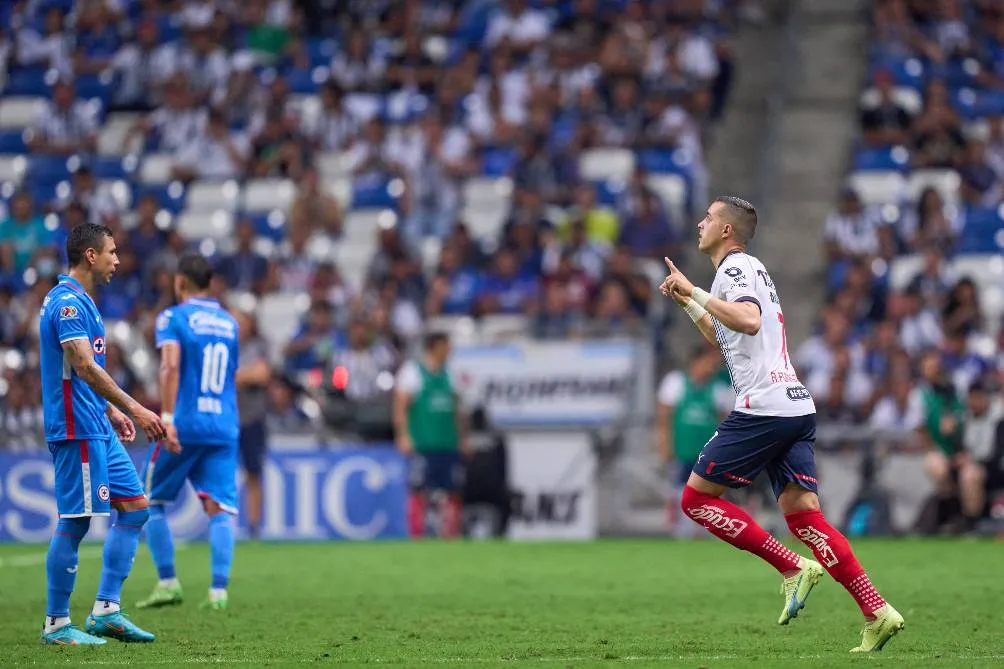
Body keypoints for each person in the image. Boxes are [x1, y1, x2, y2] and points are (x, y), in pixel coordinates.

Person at [659, 196, 903, 652]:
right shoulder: (749, 272)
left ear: (727, 230)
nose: (700, 223)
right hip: (794, 406)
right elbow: (727, 338)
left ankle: (792, 566)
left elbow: (748, 322)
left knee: (694, 499)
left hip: (764, 409)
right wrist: (689, 302)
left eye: (708, 218)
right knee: (805, 516)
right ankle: (877, 610)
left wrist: (695, 290)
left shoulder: (733, 269)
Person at [38, 223, 167, 645]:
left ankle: (106, 610)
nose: (117, 259)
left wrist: (110, 410)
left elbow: (81, 373)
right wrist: (136, 407)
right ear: (90, 256)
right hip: (76, 428)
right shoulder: (68, 305)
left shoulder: (85, 302)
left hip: (95, 423)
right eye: (111, 251)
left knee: (135, 508)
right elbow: (83, 366)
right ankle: (57, 625)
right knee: (75, 523)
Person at [137, 253, 240, 611]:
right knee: (219, 507)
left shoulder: (173, 317)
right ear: (210, 284)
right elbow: (229, 376)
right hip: (224, 424)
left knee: (151, 500)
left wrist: (166, 417)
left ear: (180, 282)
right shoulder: (230, 323)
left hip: (184, 422)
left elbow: (170, 365)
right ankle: (218, 592)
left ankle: (168, 581)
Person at [393, 332, 470, 539]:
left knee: (453, 490)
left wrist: (463, 439)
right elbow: (401, 406)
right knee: (419, 490)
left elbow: (458, 410)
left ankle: (450, 534)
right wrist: (403, 435)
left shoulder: (451, 374)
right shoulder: (413, 372)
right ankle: (417, 534)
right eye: (446, 346)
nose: (449, 351)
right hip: (423, 443)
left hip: (448, 442)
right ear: (434, 347)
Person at [655, 346, 733, 537]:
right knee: (679, 490)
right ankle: (680, 531)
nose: (711, 367)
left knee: (706, 494)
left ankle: (704, 531)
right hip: (682, 450)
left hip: (707, 454)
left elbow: (726, 422)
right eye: (708, 362)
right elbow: (663, 418)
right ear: (696, 362)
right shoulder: (676, 383)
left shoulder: (718, 389)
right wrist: (664, 445)